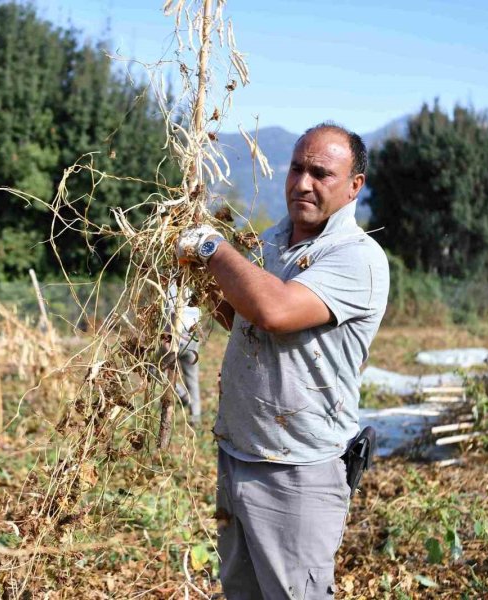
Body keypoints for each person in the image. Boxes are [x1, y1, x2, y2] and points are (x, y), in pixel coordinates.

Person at [176, 123, 389, 599]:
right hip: (239, 454)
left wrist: (212, 247)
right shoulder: (273, 242)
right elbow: (244, 318)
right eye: (296, 168)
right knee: (242, 591)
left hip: (298, 471)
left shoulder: (357, 257)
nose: (302, 183)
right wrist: (198, 272)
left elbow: (274, 312)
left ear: (355, 186)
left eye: (321, 173)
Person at [161, 282, 202, 424]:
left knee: (155, 368)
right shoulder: (195, 284)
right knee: (192, 377)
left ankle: (183, 395)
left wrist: (167, 338)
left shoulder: (173, 285)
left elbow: (173, 313)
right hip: (192, 335)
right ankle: (195, 415)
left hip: (175, 335)